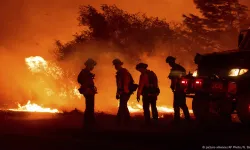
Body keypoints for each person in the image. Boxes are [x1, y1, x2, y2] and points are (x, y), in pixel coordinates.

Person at [113, 59, 138, 126]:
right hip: (123, 91)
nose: (115, 66)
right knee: (123, 106)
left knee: (122, 106)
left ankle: (120, 121)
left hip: (125, 92)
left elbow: (125, 83)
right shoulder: (120, 72)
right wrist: (118, 93)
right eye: (115, 65)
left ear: (120, 64)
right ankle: (126, 120)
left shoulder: (123, 72)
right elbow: (119, 84)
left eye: (117, 64)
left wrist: (123, 91)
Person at [166, 56, 190, 122]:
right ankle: (187, 118)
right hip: (182, 89)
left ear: (171, 62)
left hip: (178, 89)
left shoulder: (175, 69)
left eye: (169, 63)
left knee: (176, 105)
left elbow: (174, 79)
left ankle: (177, 119)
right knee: (182, 104)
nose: (169, 64)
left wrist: (173, 87)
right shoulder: (180, 68)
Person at [77, 58, 97, 128]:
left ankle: (89, 123)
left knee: (89, 107)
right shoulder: (85, 72)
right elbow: (80, 80)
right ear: (89, 65)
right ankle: (89, 123)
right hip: (88, 92)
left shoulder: (86, 72)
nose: (93, 67)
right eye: (93, 65)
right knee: (89, 108)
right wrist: (87, 86)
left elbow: (80, 80)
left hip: (89, 91)